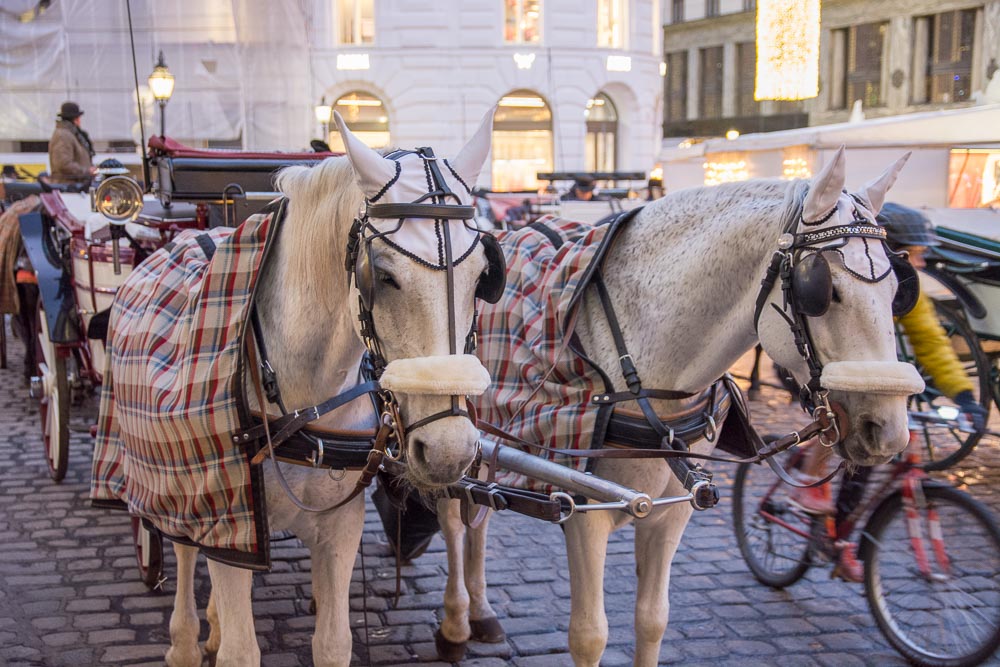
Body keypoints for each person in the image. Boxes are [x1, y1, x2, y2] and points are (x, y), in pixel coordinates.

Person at [789, 202, 987, 582]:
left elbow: (931, 341)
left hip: (867, 371)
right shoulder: (843, 276)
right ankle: (807, 484)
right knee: (842, 415)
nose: (923, 263)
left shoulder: (903, 286)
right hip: (814, 364)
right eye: (917, 253)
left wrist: (963, 395)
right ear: (890, 250)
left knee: (866, 459)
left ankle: (841, 541)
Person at [48, 101, 97, 187]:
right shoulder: (63, 135)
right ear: (76, 119)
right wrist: (87, 171)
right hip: (68, 188)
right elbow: (63, 164)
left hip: (76, 186)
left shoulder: (71, 134)